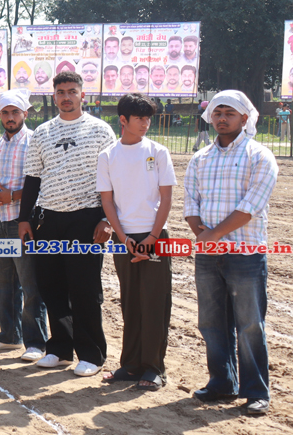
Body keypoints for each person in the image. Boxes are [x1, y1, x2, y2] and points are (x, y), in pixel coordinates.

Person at [17, 71, 117, 376]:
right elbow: (32, 178)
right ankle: (60, 349)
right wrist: (24, 219)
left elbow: (114, 180)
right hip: (48, 219)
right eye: (60, 92)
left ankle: (92, 354)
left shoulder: (101, 131)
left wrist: (106, 220)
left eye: (72, 91)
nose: (66, 97)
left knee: (84, 288)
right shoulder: (42, 133)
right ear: (54, 96)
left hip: (87, 219)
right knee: (52, 286)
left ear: (82, 95)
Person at [185, 91, 277, 416]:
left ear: (244, 118)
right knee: (211, 322)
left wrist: (211, 236)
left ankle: (256, 392)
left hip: (245, 253)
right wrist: (202, 235)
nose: (222, 118)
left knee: (250, 324)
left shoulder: (260, 156)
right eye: (217, 113)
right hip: (209, 255)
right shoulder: (200, 158)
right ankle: (222, 383)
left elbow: (251, 206)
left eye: (229, 113)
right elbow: (191, 203)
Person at [97, 94, 175, 390]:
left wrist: (152, 238)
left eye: (147, 118)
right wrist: (123, 236)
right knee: (130, 301)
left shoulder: (158, 152)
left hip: (155, 236)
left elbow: (166, 198)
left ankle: (154, 368)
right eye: (139, 118)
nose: (145, 123)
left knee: (154, 302)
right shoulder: (108, 156)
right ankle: (130, 365)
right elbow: (107, 201)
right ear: (123, 120)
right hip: (123, 239)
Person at [0, 89, 47, 360]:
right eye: (5, 113)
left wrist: (13, 196)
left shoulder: (33, 142)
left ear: (25, 114)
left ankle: (36, 343)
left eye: (15, 112)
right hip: (0, 218)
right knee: (0, 281)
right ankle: (9, 335)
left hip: (24, 221)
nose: (10, 117)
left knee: (30, 284)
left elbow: (42, 183)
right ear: (0, 115)